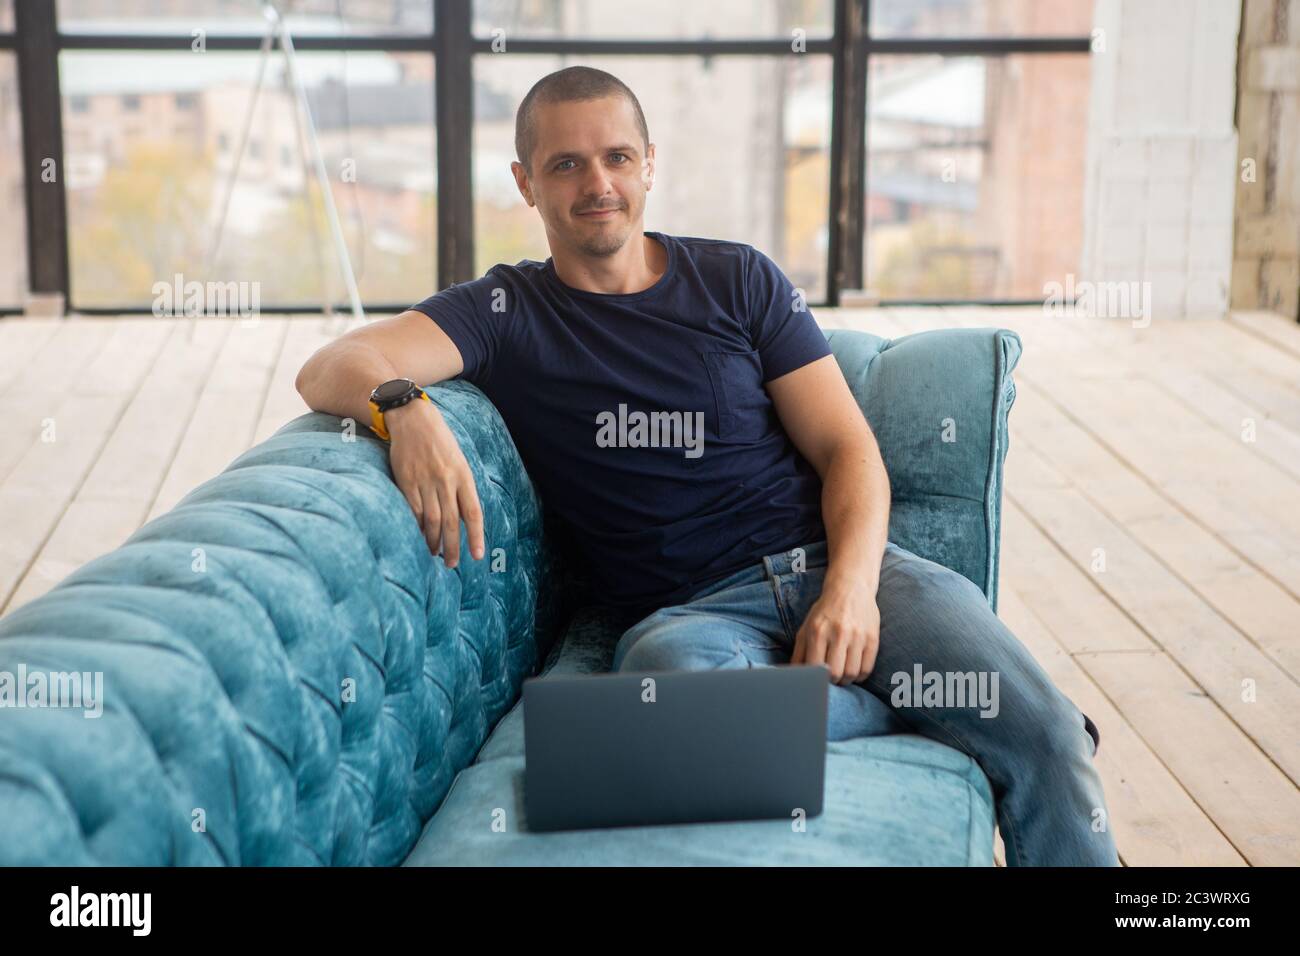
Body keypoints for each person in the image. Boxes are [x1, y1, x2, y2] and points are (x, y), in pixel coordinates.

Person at [295, 65, 1119, 866]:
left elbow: (848, 450)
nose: (598, 183)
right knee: (671, 697)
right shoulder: (504, 311)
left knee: (1047, 736)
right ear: (526, 183)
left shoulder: (738, 278)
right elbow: (332, 364)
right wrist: (402, 406)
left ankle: (965, 714)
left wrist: (851, 591)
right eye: (565, 164)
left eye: (617, 157)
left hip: (845, 566)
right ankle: (913, 707)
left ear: (648, 165)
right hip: (689, 616)